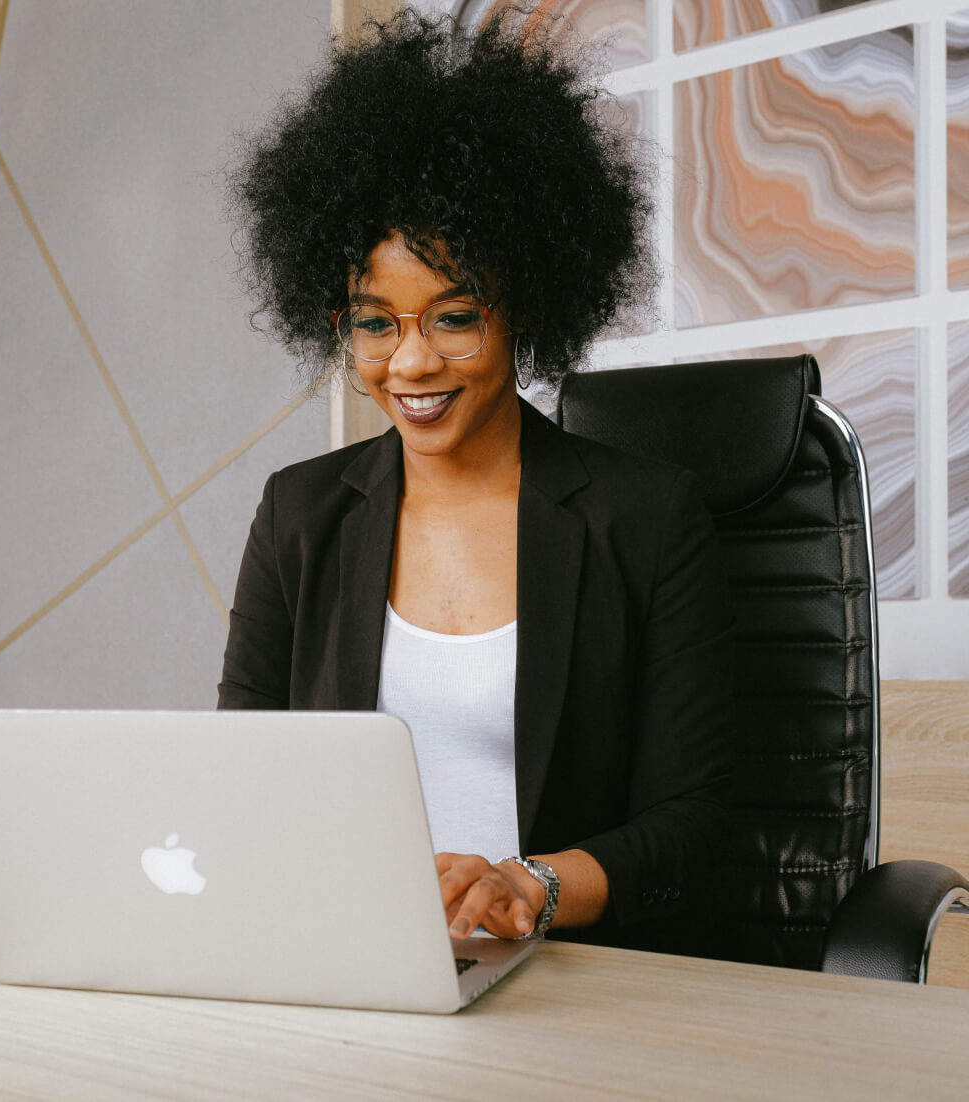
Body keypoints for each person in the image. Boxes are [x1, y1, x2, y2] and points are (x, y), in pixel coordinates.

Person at [219, 7, 732, 953]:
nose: (409, 364)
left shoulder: (646, 519)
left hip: (570, 974)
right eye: (376, 324)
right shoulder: (302, 513)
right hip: (350, 955)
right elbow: (245, 773)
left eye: (453, 318)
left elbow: (695, 821)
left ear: (524, 304)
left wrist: (528, 884)